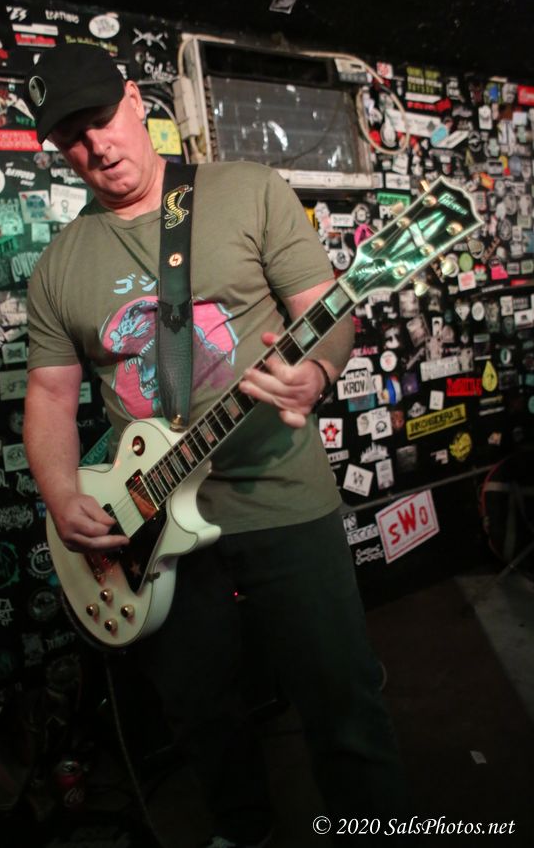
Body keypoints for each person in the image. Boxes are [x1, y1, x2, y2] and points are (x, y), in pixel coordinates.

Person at [23, 43, 408, 847]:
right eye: (71, 139)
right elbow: (52, 396)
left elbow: (327, 308)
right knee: (200, 709)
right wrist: (62, 496)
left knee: (340, 695)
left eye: (102, 120)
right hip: (150, 518)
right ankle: (241, 829)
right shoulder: (59, 265)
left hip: (279, 491)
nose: (97, 148)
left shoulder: (248, 191)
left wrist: (315, 373)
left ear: (136, 101)